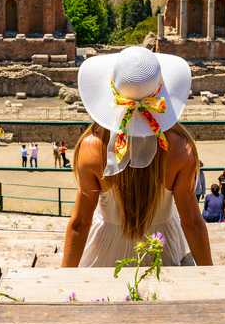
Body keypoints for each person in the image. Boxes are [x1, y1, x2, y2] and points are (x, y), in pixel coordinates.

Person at [62, 46, 212, 268]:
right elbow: (191, 223)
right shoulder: (181, 149)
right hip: (160, 246)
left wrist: (64, 278)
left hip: (106, 249)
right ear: (160, 91)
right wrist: (210, 277)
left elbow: (80, 223)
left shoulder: (91, 148)